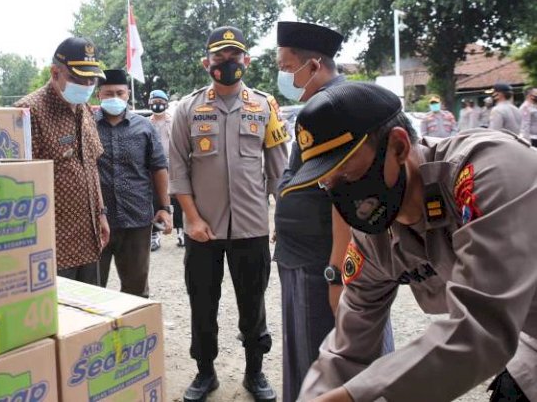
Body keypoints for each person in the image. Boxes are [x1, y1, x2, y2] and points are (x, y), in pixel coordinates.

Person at [279, 82, 537, 402]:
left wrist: (353, 396)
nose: (339, 195)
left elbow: (484, 328)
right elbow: (348, 351)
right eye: (326, 183)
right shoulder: (373, 239)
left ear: (399, 147)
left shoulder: (489, 172)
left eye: (345, 173)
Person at [273, 21, 394, 402]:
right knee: (308, 353)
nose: (282, 74)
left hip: (325, 259)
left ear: (313, 65)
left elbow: (348, 197)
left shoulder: (343, 108)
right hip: (302, 254)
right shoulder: (317, 107)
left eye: (285, 65)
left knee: (333, 359)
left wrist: (337, 273)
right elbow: (297, 175)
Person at [169, 26, 289, 402]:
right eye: (219, 58)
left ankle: (255, 373)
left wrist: (281, 221)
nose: (227, 64)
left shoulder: (264, 106)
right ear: (207, 63)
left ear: (247, 61)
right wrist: (191, 218)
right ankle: (205, 373)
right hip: (203, 230)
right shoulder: (188, 109)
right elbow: (177, 170)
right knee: (202, 304)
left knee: (253, 306)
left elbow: (278, 170)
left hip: (252, 228)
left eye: (234, 56)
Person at [15, 36, 110, 285]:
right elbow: (19, 184)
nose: (87, 85)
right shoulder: (28, 112)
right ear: (55, 72)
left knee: (91, 310)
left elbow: (91, 165)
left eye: (91, 79)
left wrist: (101, 213)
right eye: (79, 79)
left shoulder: (84, 108)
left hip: (89, 240)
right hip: (53, 248)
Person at [95, 69, 172, 297]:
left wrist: (164, 207)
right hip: (97, 221)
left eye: (120, 92)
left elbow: (158, 167)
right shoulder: (87, 126)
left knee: (136, 289)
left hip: (136, 219)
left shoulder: (144, 127)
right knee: (92, 288)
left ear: (128, 94)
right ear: (99, 95)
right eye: (109, 93)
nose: (115, 98)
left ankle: (134, 331)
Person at [148, 89, 179, 251]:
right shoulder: (146, 122)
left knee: (177, 197)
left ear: (166, 104)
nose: (157, 105)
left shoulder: (173, 121)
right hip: (153, 168)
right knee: (156, 199)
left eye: (160, 102)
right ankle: (155, 234)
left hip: (172, 165)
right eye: (154, 102)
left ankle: (180, 231)